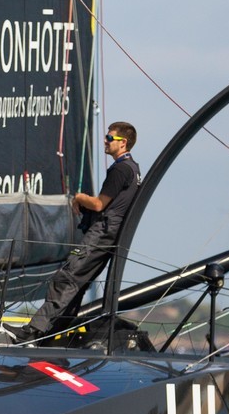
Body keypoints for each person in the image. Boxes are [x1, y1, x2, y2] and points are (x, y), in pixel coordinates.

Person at [22, 121, 141, 339]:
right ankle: (52, 334)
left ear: (123, 143)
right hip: (111, 234)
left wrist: (78, 197)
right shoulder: (134, 168)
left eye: (110, 138)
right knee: (79, 283)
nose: (105, 141)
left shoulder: (121, 169)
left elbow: (98, 204)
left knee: (66, 278)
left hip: (102, 233)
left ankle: (33, 332)